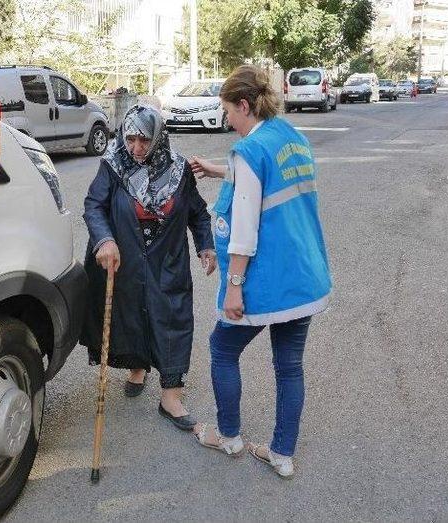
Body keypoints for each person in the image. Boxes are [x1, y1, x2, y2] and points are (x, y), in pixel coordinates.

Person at [189, 65, 332, 477]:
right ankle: (282, 455)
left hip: (268, 280)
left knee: (222, 349)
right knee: (289, 365)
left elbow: (245, 227)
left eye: (228, 111)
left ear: (245, 105)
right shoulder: (293, 138)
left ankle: (229, 437)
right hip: (305, 277)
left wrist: (234, 286)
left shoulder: (250, 151)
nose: (226, 119)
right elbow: (270, 182)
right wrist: (217, 170)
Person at [81, 105, 216, 431]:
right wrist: (104, 240)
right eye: (130, 139)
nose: (136, 148)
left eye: (144, 140)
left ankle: (171, 397)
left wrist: (206, 246)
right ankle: (136, 367)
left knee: (172, 319)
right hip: (124, 259)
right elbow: (94, 206)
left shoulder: (179, 170)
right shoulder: (113, 166)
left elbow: (197, 213)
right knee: (131, 317)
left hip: (167, 261)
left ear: (158, 138)